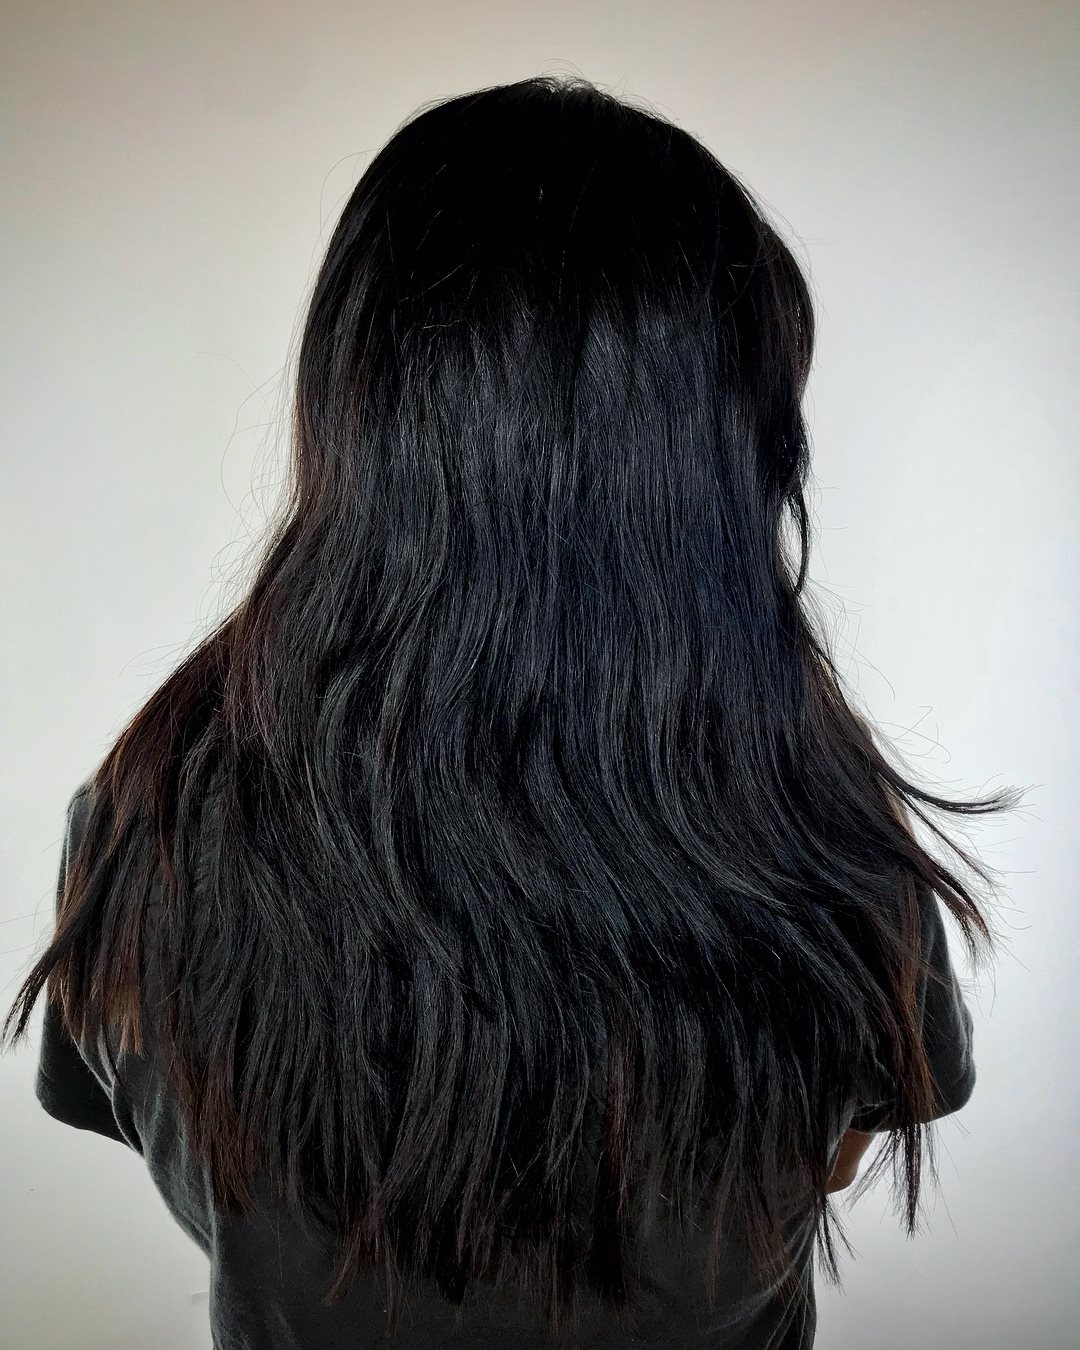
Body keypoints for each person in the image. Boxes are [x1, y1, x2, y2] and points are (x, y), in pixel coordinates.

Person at [6, 75, 1018, 1349]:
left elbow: (188, 1156)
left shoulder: (149, 825)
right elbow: (826, 1155)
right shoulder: (824, 840)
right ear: (719, 452)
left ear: (362, 404)